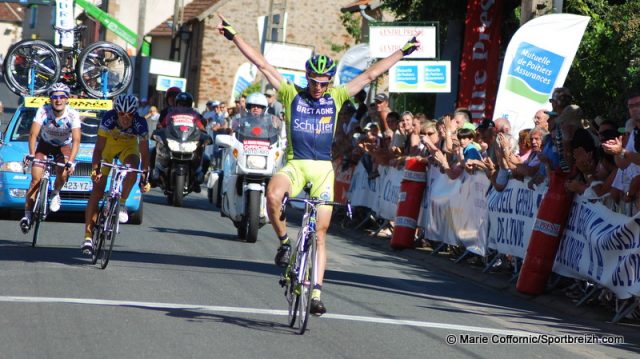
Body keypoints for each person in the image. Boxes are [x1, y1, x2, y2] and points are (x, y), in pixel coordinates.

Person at [218, 14, 420, 315]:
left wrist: (402, 51)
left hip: (323, 168)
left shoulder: (336, 97)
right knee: (272, 195)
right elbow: (262, 64)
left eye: (324, 83)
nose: (318, 87)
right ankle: (285, 243)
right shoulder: (290, 94)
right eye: (314, 82)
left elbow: (369, 74)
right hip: (296, 165)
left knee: (321, 231)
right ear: (307, 77)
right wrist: (234, 35)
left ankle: (315, 293)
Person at [81, 95, 150, 254]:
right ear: (116, 112)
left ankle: (122, 203)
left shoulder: (141, 123)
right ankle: (88, 237)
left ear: (135, 114)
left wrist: (145, 176)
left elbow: (145, 153)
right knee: (97, 190)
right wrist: (96, 169)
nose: (126, 118)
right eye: (122, 114)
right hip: (108, 150)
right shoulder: (108, 118)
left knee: (134, 168)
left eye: (130, 115)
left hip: (128, 149)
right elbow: (98, 148)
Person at [19, 83, 81, 233]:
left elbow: (77, 140)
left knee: (63, 172)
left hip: (63, 146)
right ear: (50, 99)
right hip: (45, 145)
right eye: (54, 97)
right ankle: (27, 215)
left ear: (67, 99)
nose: (58, 100)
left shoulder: (72, 114)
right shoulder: (43, 111)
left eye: (62, 97)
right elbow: (33, 134)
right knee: (35, 180)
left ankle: (55, 192)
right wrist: (32, 153)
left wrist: (71, 162)